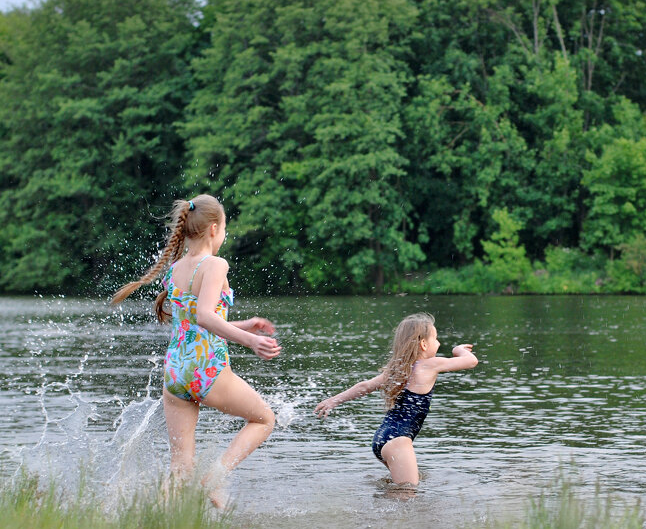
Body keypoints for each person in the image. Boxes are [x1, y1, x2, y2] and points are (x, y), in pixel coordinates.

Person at [111, 194, 280, 508]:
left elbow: (194, 321)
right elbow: (205, 317)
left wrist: (245, 324)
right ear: (214, 229)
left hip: (175, 372)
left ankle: (158, 527)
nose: (225, 235)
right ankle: (213, 481)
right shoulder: (215, 264)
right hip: (207, 370)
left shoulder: (176, 268)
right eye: (225, 228)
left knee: (180, 466)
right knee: (264, 419)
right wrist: (251, 341)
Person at [314, 313, 477, 485]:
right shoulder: (429, 365)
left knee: (398, 491)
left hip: (381, 439)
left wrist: (333, 400)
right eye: (436, 338)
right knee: (408, 494)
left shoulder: (397, 370)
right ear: (423, 344)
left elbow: (364, 386)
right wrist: (458, 350)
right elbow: (471, 361)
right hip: (398, 442)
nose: (439, 343)